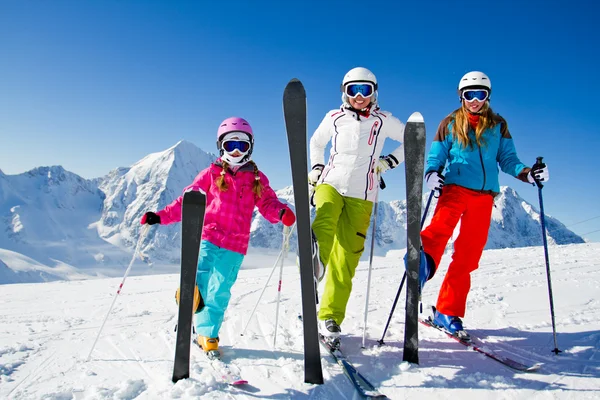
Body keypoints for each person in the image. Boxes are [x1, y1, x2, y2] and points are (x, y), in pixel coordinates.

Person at [141, 117, 296, 355]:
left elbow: (267, 202)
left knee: (219, 291)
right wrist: (160, 216)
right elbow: (187, 202)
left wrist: (280, 212)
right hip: (208, 238)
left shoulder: (256, 178)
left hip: (235, 245)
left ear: (250, 147)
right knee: (198, 282)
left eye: (241, 146)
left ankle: (207, 334)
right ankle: (187, 308)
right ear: (220, 146)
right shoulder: (210, 174)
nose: (235, 151)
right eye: (230, 145)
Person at [420, 71, 550, 339]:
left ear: (487, 96)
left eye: (481, 94)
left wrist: (528, 173)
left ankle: (447, 311)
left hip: (484, 196)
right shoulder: (449, 123)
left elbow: (508, 159)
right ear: (461, 96)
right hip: (454, 188)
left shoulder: (498, 125)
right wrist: (432, 172)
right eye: (470, 95)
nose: (475, 100)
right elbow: (437, 156)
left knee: (468, 254)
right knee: (439, 230)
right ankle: (419, 266)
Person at [308, 67, 406, 341]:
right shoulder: (334, 117)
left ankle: (330, 316)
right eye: (353, 90)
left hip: (363, 194)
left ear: (374, 93)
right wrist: (316, 168)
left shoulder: (384, 120)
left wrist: (389, 161)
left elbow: (412, 138)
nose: (359, 96)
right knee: (324, 219)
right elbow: (316, 143)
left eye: (365, 90)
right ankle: (313, 263)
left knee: (346, 260)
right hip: (331, 183)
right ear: (345, 92)